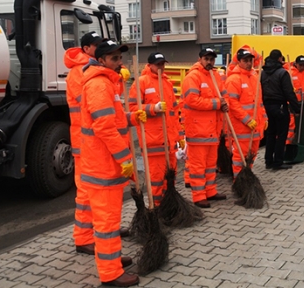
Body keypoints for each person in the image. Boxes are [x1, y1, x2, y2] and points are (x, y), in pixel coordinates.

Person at [81, 40, 146, 286]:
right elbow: (105, 127)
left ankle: (113, 259)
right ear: (101, 61)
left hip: (105, 164)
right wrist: (125, 159)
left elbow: (114, 119)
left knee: (110, 219)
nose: (120, 63)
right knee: (107, 223)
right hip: (102, 165)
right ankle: (111, 274)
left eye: (120, 58)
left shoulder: (108, 83)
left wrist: (130, 117)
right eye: (114, 58)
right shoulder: (99, 85)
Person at [64, 32, 132, 259]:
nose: (101, 46)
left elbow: (113, 111)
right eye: (98, 45)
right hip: (87, 144)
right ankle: (85, 238)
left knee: (97, 199)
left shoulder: (99, 75)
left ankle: (101, 233)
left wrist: (116, 79)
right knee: (87, 194)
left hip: (95, 143)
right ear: (87, 49)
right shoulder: (80, 74)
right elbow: (98, 112)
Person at [129, 52, 182, 205]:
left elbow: (173, 112)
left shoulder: (167, 83)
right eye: (158, 64)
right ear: (150, 65)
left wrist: (179, 136)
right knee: (157, 179)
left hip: (169, 142)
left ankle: (169, 205)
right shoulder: (141, 82)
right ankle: (158, 208)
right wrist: (153, 108)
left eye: (163, 64)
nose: (161, 67)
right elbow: (132, 108)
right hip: (154, 141)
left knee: (170, 177)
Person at [182, 48, 228, 208]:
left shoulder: (215, 76)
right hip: (198, 131)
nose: (209, 62)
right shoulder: (192, 77)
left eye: (212, 59)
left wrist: (224, 104)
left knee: (210, 165)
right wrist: (216, 104)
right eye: (207, 59)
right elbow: (192, 100)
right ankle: (198, 196)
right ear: (200, 58)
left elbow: (224, 95)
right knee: (198, 166)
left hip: (213, 130)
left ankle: (210, 191)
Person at [225, 48, 267, 178]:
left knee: (252, 154)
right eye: (245, 60)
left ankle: (247, 176)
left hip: (255, 125)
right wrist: (247, 120)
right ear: (239, 62)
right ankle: (238, 181)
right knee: (240, 156)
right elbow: (233, 104)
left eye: (250, 60)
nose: (249, 63)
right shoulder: (233, 79)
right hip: (242, 127)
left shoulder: (255, 77)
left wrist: (265, 118)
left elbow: (259, 102)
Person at [261, 49, 300, 170]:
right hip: (280, 106)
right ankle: (278, 161)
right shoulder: (282, 73)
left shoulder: (263, 72)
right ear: (279, 59)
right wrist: (296, 108)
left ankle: (268, 160)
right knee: (282, 134)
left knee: (271, 134)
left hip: (267, 106)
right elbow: (289, 93)